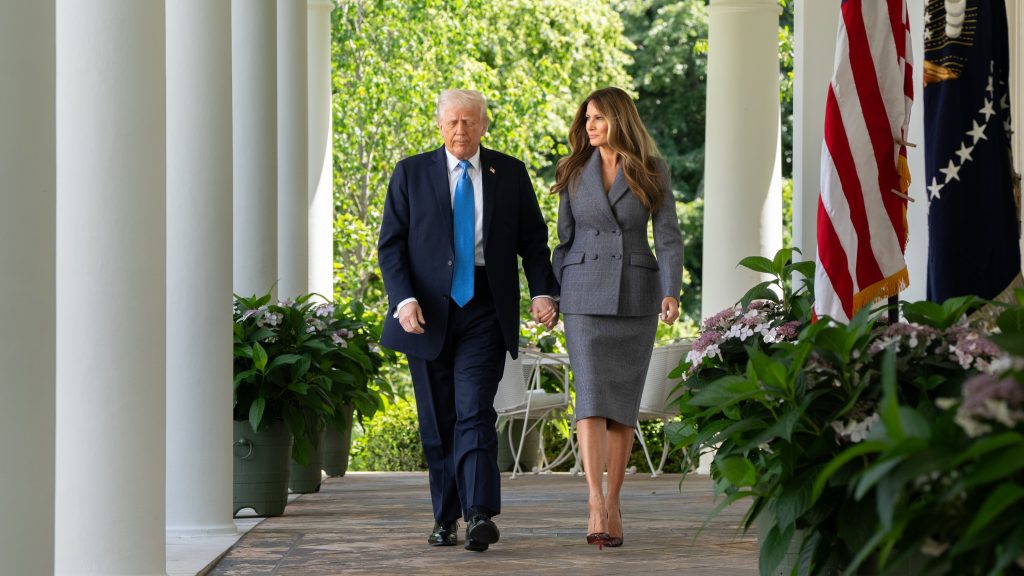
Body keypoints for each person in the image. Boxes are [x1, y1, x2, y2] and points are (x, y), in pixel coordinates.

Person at [378, 89, 559, 552]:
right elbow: (392, 246)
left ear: (484, 124)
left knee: (475, 410)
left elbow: (533, 241)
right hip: (426, 311)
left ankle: (479, 513)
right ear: (439, 125)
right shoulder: (411, 173)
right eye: (453, 122)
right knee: (438, 420)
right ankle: (446, 517)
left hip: (484, 306)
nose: (461, 130)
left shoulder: (509, 172)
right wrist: (404, 301)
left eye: (470, 122)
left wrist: (542, 291)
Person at [551, 87, 684, 548]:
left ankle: (615, 500)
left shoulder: (651, 170)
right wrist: (548, 294)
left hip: (636, 294)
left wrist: (672, 291)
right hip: (582, 293)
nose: (590, 126)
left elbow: (668, 238)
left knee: (622, 405)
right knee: (589, 398)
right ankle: (593, 500)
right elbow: (563, 242)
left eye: (600, 118)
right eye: (587, 118)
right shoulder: (571, 171)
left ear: (620, 121)